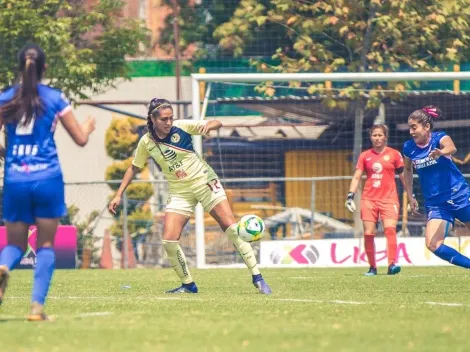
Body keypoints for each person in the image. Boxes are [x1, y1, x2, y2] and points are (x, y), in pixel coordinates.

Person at [108, 98, 272, 294]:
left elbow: (216, 122)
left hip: (204, 182)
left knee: (230, 227)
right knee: (169, 240)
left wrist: (209, 126)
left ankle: (258, 278)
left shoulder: (182, 127)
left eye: (171, 118)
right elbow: (134, 168)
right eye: (164, 119)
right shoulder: (146, 143)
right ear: (152, 119)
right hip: (180, 191)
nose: (169, 123)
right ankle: (188, 284)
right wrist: (118, 195)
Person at [0, 44, 96, 320]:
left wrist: (6, 152)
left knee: (15, 244)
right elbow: (80, 139)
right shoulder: (55, 98)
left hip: (15, 178)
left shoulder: (5, 97)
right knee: (44, 245)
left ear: (19, 67)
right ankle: (36, 309)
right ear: (45, 68)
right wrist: (87, 129)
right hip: (47, 178)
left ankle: (4, 267)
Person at [403, 106, 470, 269]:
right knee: (433, 244)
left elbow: (451, 148)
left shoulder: (439, 138)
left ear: (426, 126)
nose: (411, 132)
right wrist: (410, 196)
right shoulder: (408, 148)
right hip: (437, 204)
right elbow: (407, 170)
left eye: (414, 127)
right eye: (409, 128)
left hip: (459, 196)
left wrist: (441, 152)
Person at [345, 124, 405, 276]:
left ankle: (392, 264)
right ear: (370, 137)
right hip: (369, 199)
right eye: (374, 135)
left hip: (389, 198)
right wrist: (350, 196)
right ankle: (372, 267)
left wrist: (411, 196)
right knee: (369, 233)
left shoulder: (394, 154)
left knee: (390, 229)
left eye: (380, 135)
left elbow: (404, 176)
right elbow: (357, 176)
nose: (377, 138)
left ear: (386, 137)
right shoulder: (365, 156)